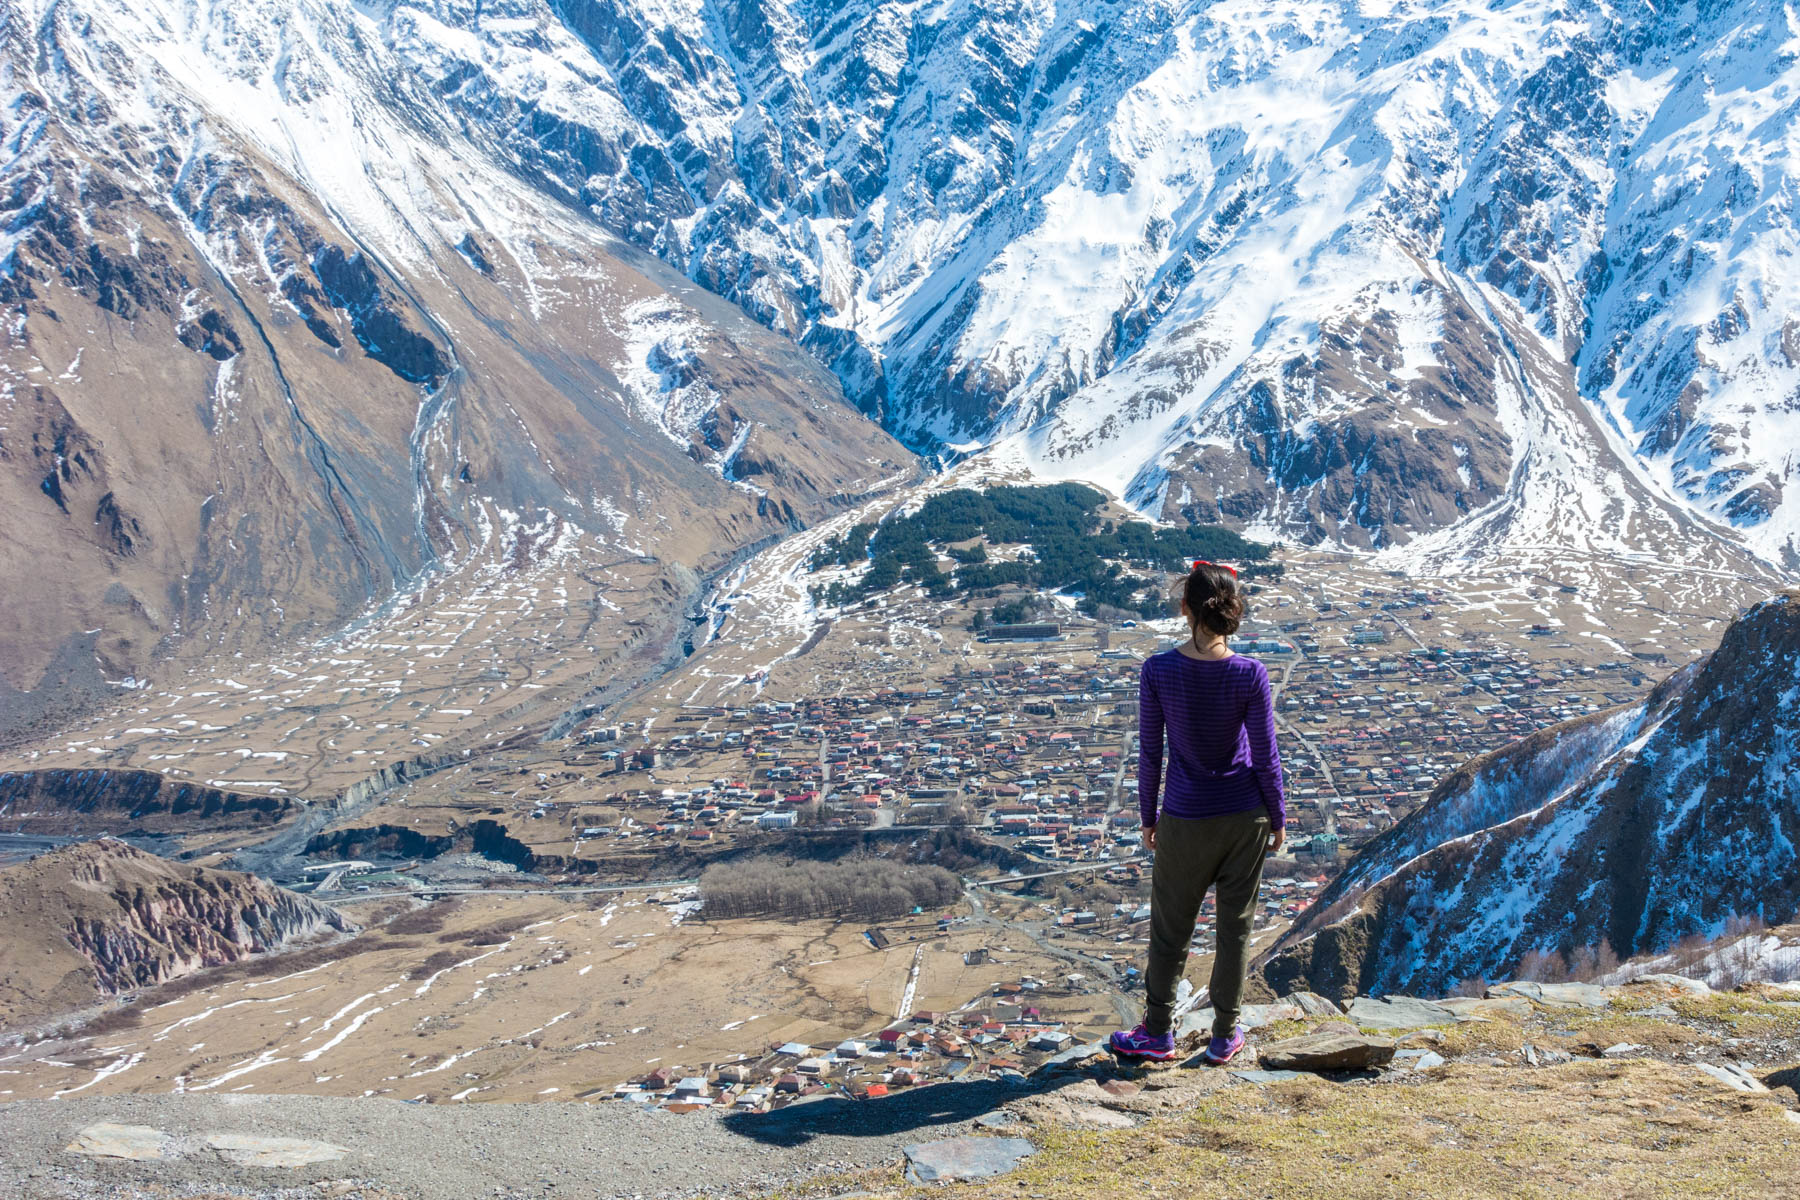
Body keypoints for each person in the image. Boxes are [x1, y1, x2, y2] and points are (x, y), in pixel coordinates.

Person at [1109, 559, 1285, 1065]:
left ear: (1185, 607)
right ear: (1232, 610)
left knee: (1171, 929)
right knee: (1236, 928)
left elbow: (1150, 752)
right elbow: (1266, 753)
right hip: (1244, 815)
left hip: (1184, 817)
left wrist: (1148, 816)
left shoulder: (1159, 670)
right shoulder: (1250, 674)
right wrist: (1277, 817)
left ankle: (1158, 1031)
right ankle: (1225, 1035)